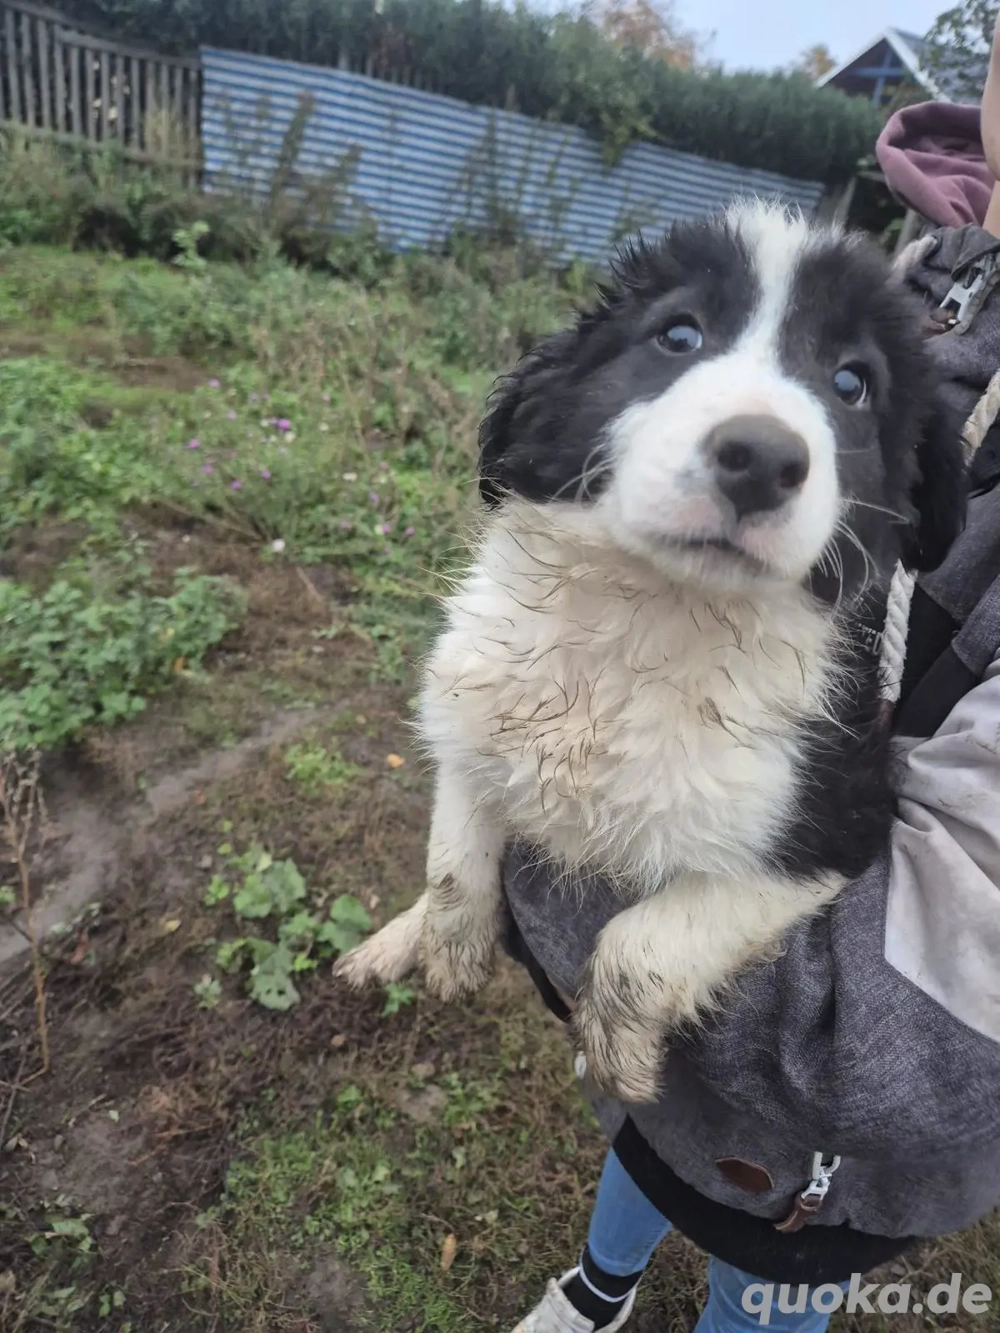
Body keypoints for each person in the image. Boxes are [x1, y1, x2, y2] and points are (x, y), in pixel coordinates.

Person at [503, 24, 1000, 1333]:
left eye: (845, 382)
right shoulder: (915, 276)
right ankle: (601, 1288)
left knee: (764, 1273)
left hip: (828, 1156)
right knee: (647, 1133)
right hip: (677, 1026)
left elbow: (906, 1032)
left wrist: (538, 825)